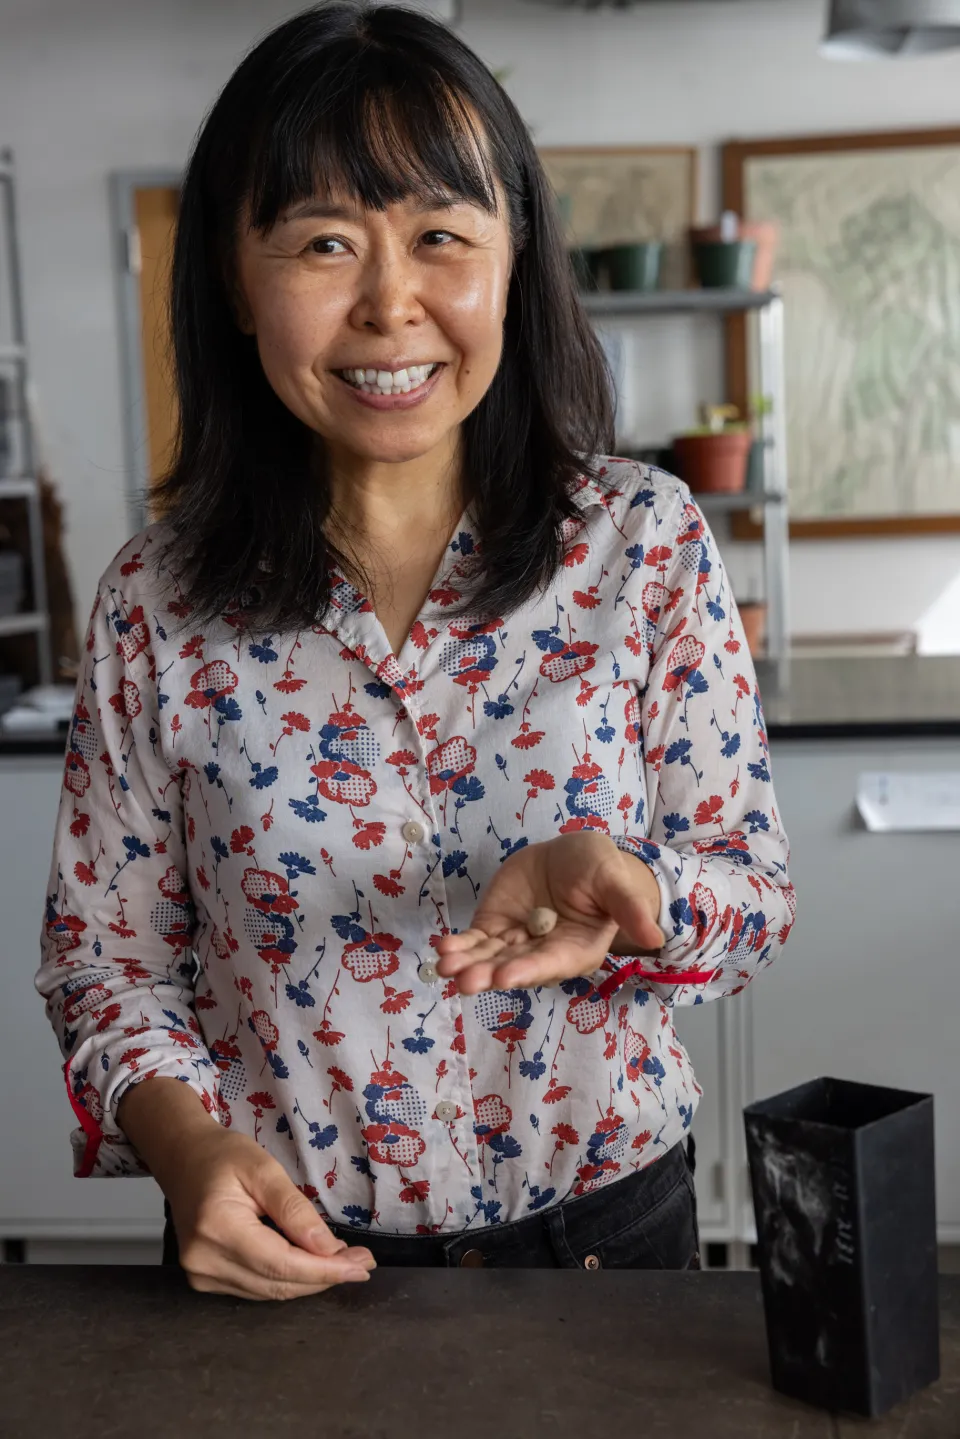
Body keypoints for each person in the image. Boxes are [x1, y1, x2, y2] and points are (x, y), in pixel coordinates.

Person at [35, 1, 795, 1301]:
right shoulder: (155, 603)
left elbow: (754, 892)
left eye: (441, 237)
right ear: (232, 274)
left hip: (605, 1239)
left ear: (512, 260)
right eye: (323, 243)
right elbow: (105, 959)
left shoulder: (639, 540)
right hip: (289, 1255)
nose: (391, 304)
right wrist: (189, 1150)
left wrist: (633, 889)